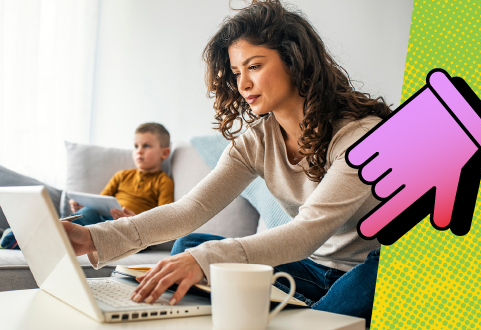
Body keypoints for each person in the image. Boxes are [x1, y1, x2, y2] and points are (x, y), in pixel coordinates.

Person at [62, 1, 391, 325]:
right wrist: (93, 237)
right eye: (236, 72)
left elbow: (308, 231)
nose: (243, 84)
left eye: (254, 66)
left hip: (370, 267)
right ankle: (298, 305)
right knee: (190, 246)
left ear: (295, 61)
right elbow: (190, 209)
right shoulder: (257, 140)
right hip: (311, 267)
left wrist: (205, 261)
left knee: (208, 261)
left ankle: (307, 309)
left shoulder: (360, 135)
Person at [0, 122, 174, 249]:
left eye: (146, 146)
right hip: (101, 218)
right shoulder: (122, 175)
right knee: (88, 213)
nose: (139, 151)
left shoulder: (163, 181)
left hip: (131, 229)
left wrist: (135, 220)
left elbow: (164, 216)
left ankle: (26, 238)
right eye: (136, 146)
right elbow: (102, 201)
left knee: (94, 231)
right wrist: (83, 205)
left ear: (164, 153)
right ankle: (27, 236)